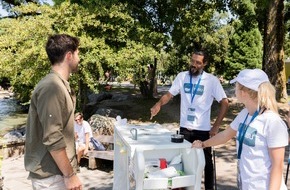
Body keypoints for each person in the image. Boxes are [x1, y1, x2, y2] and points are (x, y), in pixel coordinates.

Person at [192, 69, 288, 190]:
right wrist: (203, 144)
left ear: (244, 92)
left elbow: (277, 166)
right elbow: (226, 135)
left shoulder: (272, 122)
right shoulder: (245, 114)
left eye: (236, 86)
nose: (234, 89)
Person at [150, 51, 229, 190]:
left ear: (204, 64)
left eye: (198, 62)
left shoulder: (211, 80)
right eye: (192, 61)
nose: (194, 64)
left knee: (206, 164)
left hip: (203, 130)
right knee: (185, 162)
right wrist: (158, 104)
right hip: (185, 129)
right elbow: (169, 94)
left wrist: (216, 126)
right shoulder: (182, 77)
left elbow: (225, 102)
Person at [24, 34, 82, 190]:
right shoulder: (52, 87)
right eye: (78, 53)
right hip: (52, 177)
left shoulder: (59, 85)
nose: (79, 58)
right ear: (69, 55)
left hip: (57, 173)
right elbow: (52, 136)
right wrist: (70, 175)